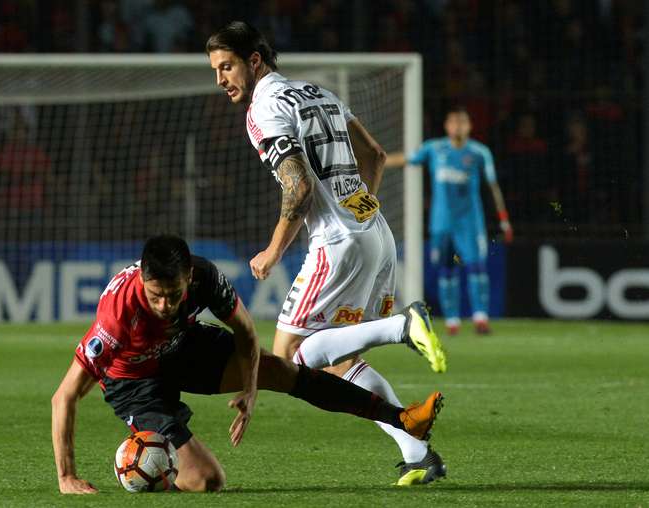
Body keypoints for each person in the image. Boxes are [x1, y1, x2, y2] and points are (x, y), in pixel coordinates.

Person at [206, 21, 447, 485]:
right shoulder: (318, 92)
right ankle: (416, 448)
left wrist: (273, 251)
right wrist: (357, 215)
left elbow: (296, 189)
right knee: (337, 360)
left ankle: (404, 326)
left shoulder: (263, 110)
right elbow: (374, 155)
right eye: (216, 69)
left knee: (290, 355)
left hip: (337, 243)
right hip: (375, 231)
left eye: (227, 66)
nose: (220, 79)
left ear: (254, 61)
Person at [51, 235, 444, 494]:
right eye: (155, 296)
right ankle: (155, 469)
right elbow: (65, 396)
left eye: (173, 295)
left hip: (182, 347)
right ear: (142, 279)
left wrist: (251, 388)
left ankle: (402, 419)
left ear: (189, 276)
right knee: (208, 481)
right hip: (135, 382)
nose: (164, 305)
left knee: (281, 368)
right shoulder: (118, 317)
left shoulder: (205, 277)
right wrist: (66, 475)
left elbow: (245, 331)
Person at [386, 106, 513, 335]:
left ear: (469, 126)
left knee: (476, 267)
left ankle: (480, 318)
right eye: (453, 122)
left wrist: (503, 219)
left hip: (470, 223)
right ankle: (452, 321)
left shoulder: (478, 152)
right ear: (447, 126)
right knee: (447, 270)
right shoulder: (434, 149)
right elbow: (407, 159)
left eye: (462, 122)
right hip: (442, 223)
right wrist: (379, 160)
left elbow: (492, 186)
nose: (458, 127)